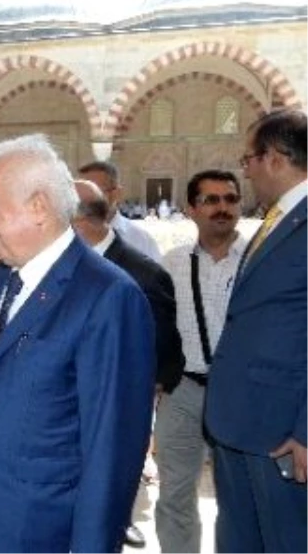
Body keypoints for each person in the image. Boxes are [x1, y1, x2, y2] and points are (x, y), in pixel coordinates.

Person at [0, 134, 155, 553]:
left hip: (43, 528)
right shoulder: (3, 275)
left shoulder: (108, 296)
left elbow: (111, 452)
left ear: (39, 208)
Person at [205, 108, 308, 552]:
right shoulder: (275, 219)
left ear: (276, 158)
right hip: (238, 420)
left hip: (282, 433)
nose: (244, 172)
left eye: (248, 159)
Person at [73, 178, 182, 549]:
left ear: (78, 221)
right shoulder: (69, 266)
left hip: (118, 409)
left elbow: (165, 350)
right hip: (72, 408)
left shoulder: (143, 273)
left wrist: (138, 397)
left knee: (107, 496)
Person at [156, 170, 247, 554]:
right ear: (191, 209)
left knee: (239, 498)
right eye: (211, 200)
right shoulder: (171, 264)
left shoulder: (257, 261)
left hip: (242, 397)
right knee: (175, 494)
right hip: (184, 394)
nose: (222, 208)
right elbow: (156, 327)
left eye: (229, 198)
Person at [79, 160, 163, 261]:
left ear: (116, 194)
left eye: (94, 192)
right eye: (78, 193)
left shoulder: (141, 241)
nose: (84, 200)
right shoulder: (65, 238)